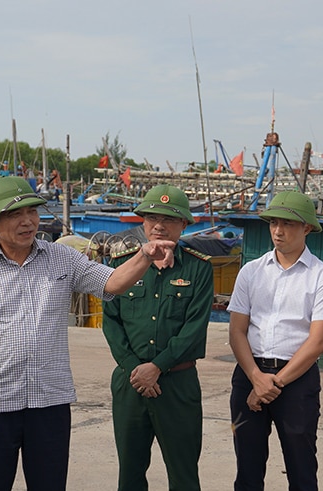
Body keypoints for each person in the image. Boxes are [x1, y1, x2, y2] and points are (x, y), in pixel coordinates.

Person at [0, 176, 177, 490]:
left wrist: (145, 254)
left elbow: (113, 282)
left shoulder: (62, 258)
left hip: (49, 403)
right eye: (15, 215)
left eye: (33, 212)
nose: (28, 221)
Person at [227, 190, 323, 490]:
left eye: (288, 224)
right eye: (274, 223)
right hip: (249, 375)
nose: (278, 231)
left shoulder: (322, 277)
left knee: (301, 468)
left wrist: (273, 384)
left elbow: (317, 342)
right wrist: (255, 378)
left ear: (306, 228)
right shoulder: (251, 272)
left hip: (297, 381)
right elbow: (237, 331)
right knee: (247, 469)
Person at [101, 184, 214, 490]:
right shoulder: (120, 265)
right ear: (142, 222)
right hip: (130, 382)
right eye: (151, 217)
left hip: (177, 385)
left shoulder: (199, 269)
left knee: (184, 475)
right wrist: (134, 368)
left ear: (185, 224)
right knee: (130, 474)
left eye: (169, 218)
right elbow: (111, 323)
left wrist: (157, 367)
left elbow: (194, 328)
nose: (159, 225)